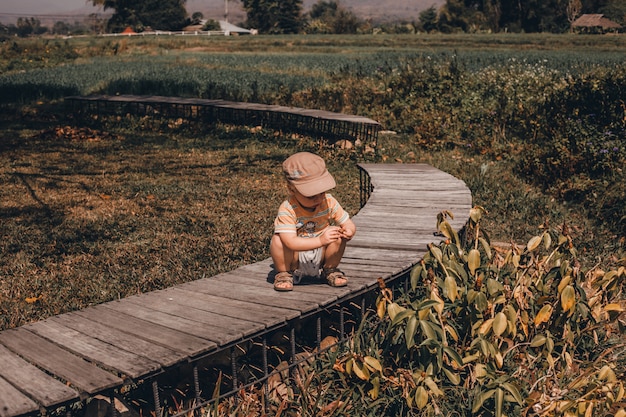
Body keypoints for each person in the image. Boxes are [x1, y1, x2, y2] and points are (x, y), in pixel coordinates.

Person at [270, 152, 356, 291]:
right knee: (278, 240)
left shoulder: (328, 202)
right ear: (292, 189)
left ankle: (329, 269)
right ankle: (284, 273)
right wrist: (321, 241)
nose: (318, 199)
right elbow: (290, 242)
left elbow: (347, 222)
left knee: (336, 234)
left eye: (321, 192)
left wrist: (349, 230)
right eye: (311, 196)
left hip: (321, 253)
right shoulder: (288, 208)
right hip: (295, 257)